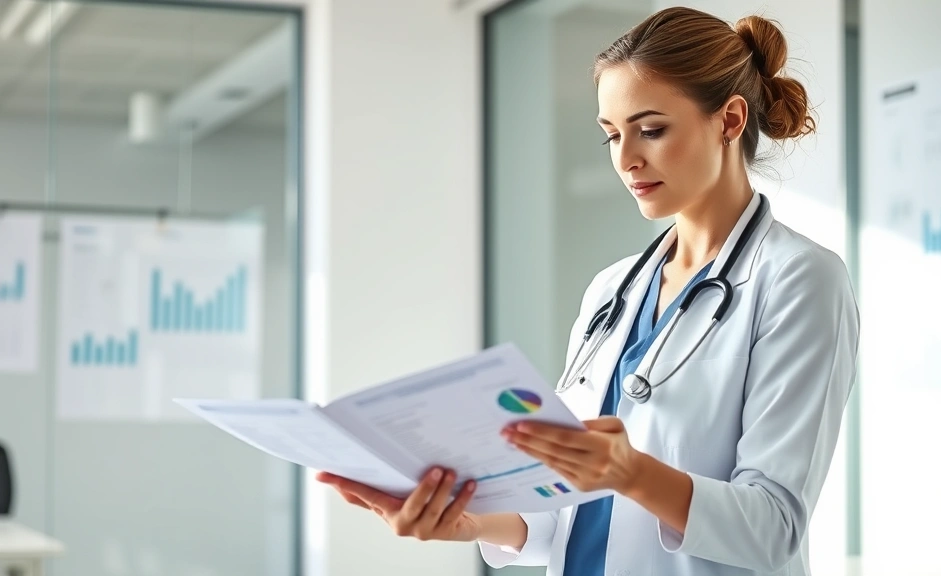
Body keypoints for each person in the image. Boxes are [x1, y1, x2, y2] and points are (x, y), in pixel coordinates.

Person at [316, 6, 860, 576]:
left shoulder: (800, 280)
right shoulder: (612, 290)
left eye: (651, 130)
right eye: (612, 136)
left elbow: (774, 527)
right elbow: (566, 508)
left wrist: (631, 472)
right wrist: (471, 522)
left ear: (729, 120)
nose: (626, 160)